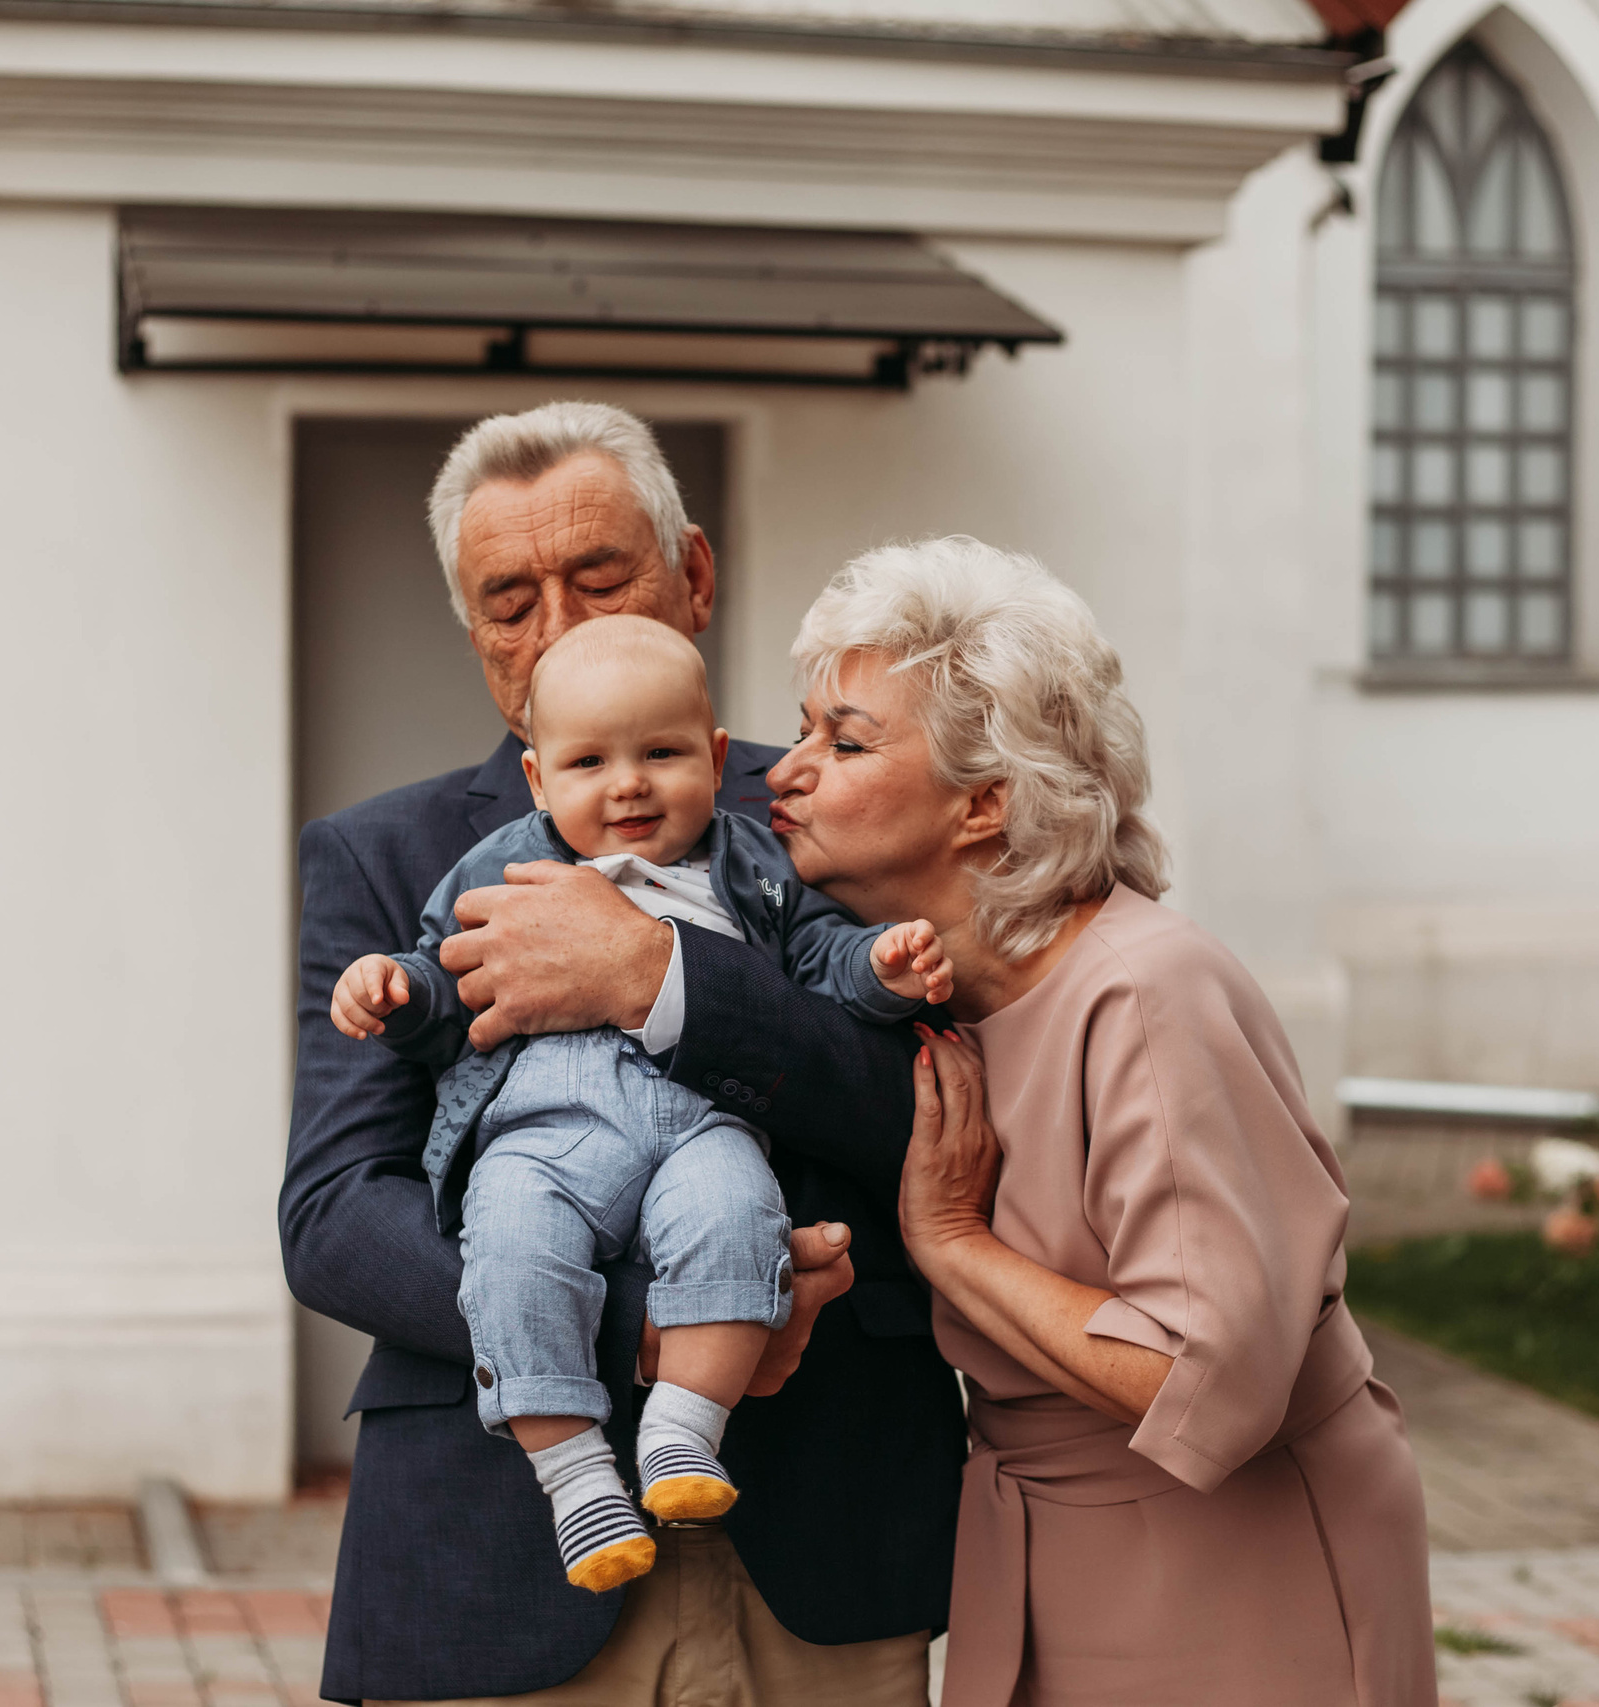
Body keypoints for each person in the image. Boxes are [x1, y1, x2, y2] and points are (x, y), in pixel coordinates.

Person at [279, 402, 963, 1707]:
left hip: (826, 1527)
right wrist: (654, 1325)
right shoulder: (385, 855)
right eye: (509, 602)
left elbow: (927, 1110)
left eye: (601, 578)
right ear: (474, 632)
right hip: (497, 1549)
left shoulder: (822, 808)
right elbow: (333, 1216)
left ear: (692, 575)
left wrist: (659, 978)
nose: (559, 629)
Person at [766, 535, 1438, 1707]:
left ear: (983, 803)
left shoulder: (1145, 992)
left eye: (845, 741)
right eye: (803, 730)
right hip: (1035, 1541)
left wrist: (953, 1245)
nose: (786, 770)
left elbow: (1200, 1372)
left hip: (1238, 1558)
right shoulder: (922, 994)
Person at [331, 615, 951, 1592]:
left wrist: (879, 969)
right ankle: (575, 1476)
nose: (628, 784)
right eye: (589, 762)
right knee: (510, 1251)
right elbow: (446, 977)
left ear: (715, 759)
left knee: (738, 1215)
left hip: (701, 1126)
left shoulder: (755, 865)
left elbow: (819, 959)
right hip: (541, 1138)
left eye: (661, 754)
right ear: (539, 779)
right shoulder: (498, 865)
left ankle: (683, 1435)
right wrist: (399, 993)